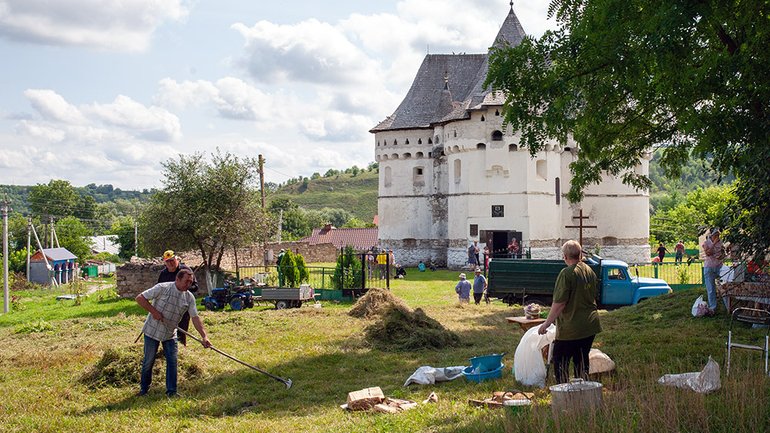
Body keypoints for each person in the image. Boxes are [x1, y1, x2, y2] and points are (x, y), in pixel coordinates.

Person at [135, 268, 211, 397]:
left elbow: (195, 318)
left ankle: (171, 391)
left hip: (170, 333)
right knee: (148, 361)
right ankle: (144, 389)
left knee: (172, 361)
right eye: (186, 281)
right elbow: (140, 298)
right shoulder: (162, 288)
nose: (189, 285)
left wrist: (204, 336)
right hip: (152, 330)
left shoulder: (189, 297)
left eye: (191, 282)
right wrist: (154, 312)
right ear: (177, 279)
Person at [538, 240, 602, 384]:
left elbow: (560, 303)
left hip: (572, 327)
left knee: (560, 361)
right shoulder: (588, 270)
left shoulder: (566, 274)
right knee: (581, 359)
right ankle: (583, 389)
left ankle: (564, 392)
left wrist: (546, 323)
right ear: (580, 254)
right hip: (590, 325)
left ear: (565, 256)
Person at [157, 250, 197, 346]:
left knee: (182, 328)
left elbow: (195, 287)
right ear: (164, 262)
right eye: (168, 261)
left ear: (176, 259)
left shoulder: (186, 271)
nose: (170, 263)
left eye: (172, 260)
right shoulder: (163, 274)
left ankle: (181, 347)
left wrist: (183, 288)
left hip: (183, 305)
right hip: (168, 306)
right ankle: (167, 348)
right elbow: (159, 289)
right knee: (166, 329)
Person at [702, 229, 725, 315]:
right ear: (712, 235)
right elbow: (708, 253)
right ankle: (712, 308)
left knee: (724, 285)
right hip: (709, 267)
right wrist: (714, 243)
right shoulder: (706, 243)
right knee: (711, 289)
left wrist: (722, 255)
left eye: (718, 235)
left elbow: (723, 252)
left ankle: (728, 306)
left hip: (719, 266)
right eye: (716, 235)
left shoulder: (721, 242)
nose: (718, 237)